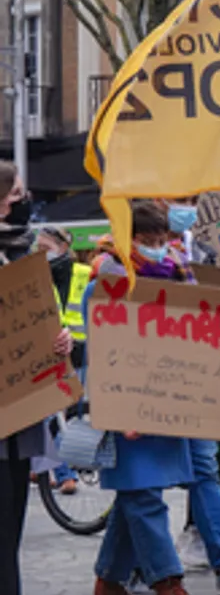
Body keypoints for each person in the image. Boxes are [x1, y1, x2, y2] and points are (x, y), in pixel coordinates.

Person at [93, 202, 220, 595]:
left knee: (143, 493)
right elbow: (103, 357)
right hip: (131, 410)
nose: (158, 248)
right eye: (147, 241)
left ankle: (109, 580)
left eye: (163, 240)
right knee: (142, 493)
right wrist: (118, 410)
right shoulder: (104, 286)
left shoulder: (179, 279)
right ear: (126, 240)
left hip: (175, 401)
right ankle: (168, 582)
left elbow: (205, 338)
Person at [0, 162, 76, 595]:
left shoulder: (24, 251)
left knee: (11, 523)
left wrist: (57, 338)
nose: (21, 201)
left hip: (19, 419)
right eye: (15, 193)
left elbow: (35, 317)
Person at [38, 225, 88, 496]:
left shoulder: (83, 273)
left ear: (63, 248)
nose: (41, 254)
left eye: (46, 249)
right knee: (54, 416)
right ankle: (64, 473)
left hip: (80, 353)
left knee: (68, 414)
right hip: (51, 356)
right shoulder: (35, 277)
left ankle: (43, 465)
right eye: (38, 249)